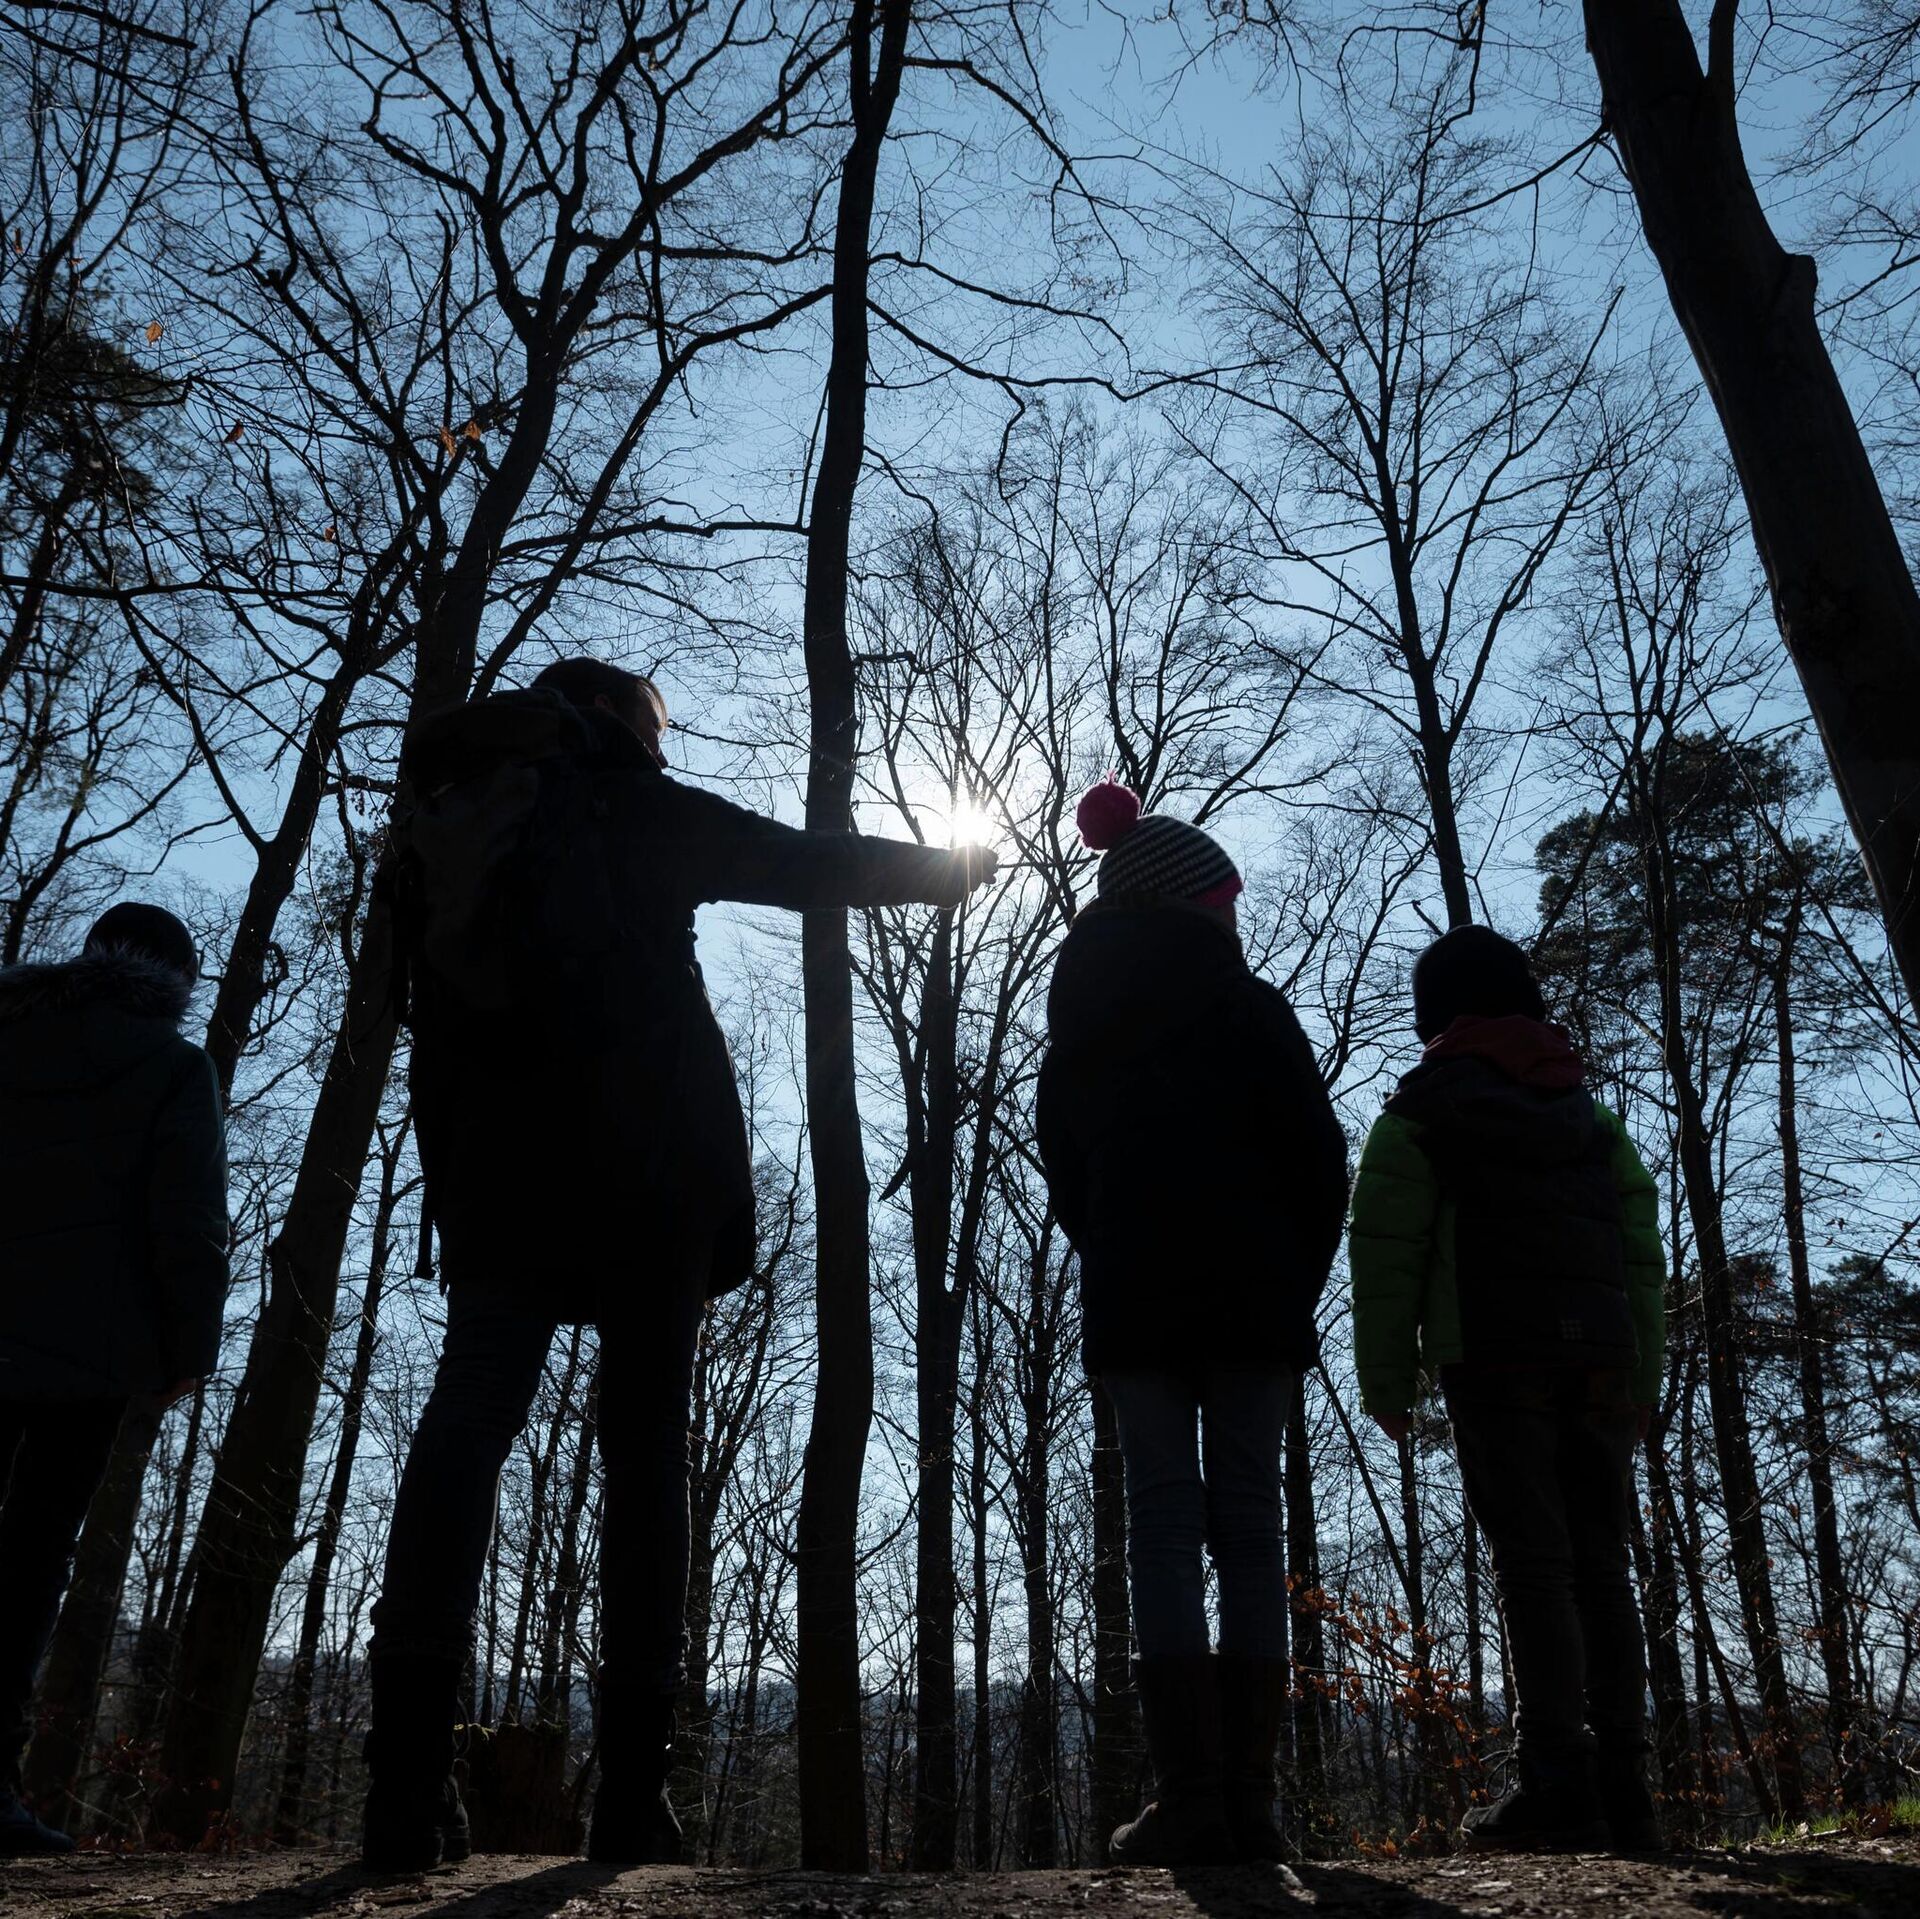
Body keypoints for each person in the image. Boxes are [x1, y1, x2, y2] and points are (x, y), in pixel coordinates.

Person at [363, 658, 997, 1872]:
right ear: (612, 717)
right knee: (646, 1447)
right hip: (648, 1179)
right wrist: (957, 864)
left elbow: (415, 1006)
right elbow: (804, 863)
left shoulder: (445, 827)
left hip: (494, 1172)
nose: (662, 745)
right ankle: (631, 1795)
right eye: (656, 725)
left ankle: (402, 1783)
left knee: (468, 1418)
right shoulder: (632, 802)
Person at [1036, 780, 1347, 1866]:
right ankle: (1252, 1802)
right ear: (1196, 901)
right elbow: (1321, 1161)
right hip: (1255, 1299)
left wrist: (1114, 1246)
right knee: (1252, 1529)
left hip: (1138, 1297)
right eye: (1227, 898)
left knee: (1163, 1528)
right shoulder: (1253, 1009)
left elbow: (1065, 1166)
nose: (1235, 913)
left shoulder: (1082, 1022)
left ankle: (1192, 1798)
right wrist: (1293, 1278)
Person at [1347, 925, 1666, 1853]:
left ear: (1435, 1017)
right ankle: (1625, 1788)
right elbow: (1640, 1255)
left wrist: (1389, 1379)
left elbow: (1387, 1253)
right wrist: (1643, 1376)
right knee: (1602, 1566)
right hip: (1599, 1358)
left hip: (1492, 1358)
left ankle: (1557, 1781)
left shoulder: (1419, 1114)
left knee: (1533, 1567)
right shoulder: (1590, 1116)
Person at [0, 905, 229, 1855]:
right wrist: (188, 1353)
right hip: (86, 1357)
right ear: (176, 981)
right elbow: (190, 1222)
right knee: (31, 1558)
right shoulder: (172, 1066)